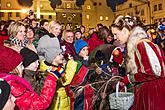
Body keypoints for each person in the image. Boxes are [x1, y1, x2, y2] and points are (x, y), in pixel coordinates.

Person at [111, 15, 165, 110]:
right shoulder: (134, 46)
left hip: (152, 92)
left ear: (124, 31)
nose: (115, 38)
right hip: (145, 90)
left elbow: (154, 71)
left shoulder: (142, 44)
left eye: (116, 34)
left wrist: (129, 79)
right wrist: (119, 59)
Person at [0, 45, 65, 109]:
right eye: (20, 65)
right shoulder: (13, 86)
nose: (23, 68)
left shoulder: (11, 81)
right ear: (11, 69)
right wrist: (51, 78)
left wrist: (46, 74)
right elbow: (40, 104)